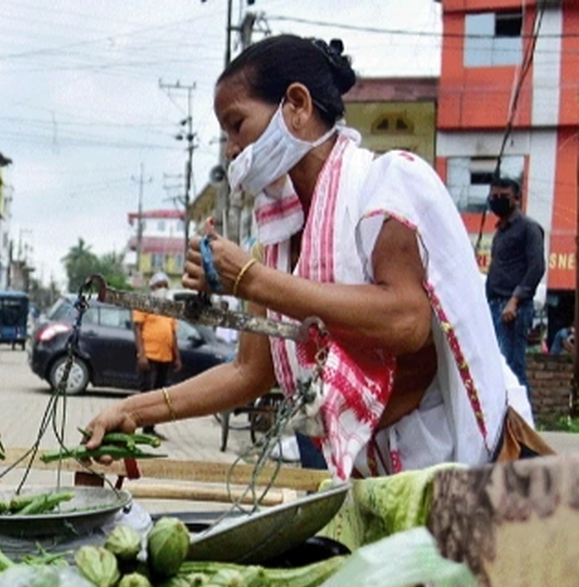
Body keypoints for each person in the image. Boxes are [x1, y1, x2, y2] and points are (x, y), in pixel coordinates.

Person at [84, 35, 548, 481]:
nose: (230, 150)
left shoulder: (385, 185)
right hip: (374, 472)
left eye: (237, 125)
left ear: (298, 105)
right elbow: (249, 371)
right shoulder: (277, 243)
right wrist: (133, 409)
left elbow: (406, 320)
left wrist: (251, 280)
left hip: (457, 464)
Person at [485, 177, 545, 391]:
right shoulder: (501, 231)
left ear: (517, 199)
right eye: (493, 196)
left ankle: (522, 420)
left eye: (503, 196)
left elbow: (536, 267)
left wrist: (514, 301)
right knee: (497, 370)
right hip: (494, 304)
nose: (497, 200)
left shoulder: (529, 228)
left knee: (512, 370)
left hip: (512, 309)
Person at [133, 272, 181, 436]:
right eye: (159, 285)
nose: (162, 289)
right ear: (152, 288)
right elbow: (138, 329)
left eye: (164, 286)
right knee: (147, 393)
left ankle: (150, 428)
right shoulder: (145, 304)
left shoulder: (169, 308)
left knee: (160, 395)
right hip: (149, 356)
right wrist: (141, 354)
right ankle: (139, 425)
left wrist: (177, 357)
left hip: (165, 357)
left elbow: (173, 334)